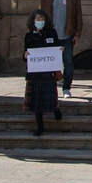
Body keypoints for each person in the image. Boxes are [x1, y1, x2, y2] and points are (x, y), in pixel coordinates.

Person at [37, 0, 79, 99]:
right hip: (50, 34)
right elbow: (40, 13)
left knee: (68, 62)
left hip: (67, 33)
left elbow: (78, 14)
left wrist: (77, 33)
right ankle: (50, 87)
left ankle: (66, 88)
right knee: (50, 62)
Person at [22, 9, 63, 137]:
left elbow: (56, 47)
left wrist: (60, 50)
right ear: (33, 21)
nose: (40, 21)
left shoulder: (51, 33)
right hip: (35, 72)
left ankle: (56, 109)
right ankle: (40, 127)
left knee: (50, 94)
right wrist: (25, 55)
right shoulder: (29, 36)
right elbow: (25, 54)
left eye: (42, 19)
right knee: (37, 101)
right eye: (37, 19)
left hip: (48, 70)